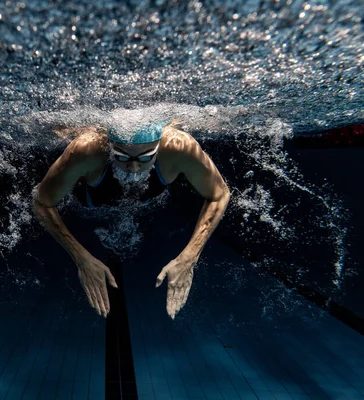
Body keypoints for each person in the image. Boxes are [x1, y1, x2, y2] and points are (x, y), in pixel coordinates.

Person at [33, 119, 231, 319]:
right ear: (109, 147)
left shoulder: (179, 148)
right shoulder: (87, 151)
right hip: (88, 203)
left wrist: (189, 257)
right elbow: (41, 202)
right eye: (122, 156)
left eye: (146, 157)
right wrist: (81, 258)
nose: (134, 168)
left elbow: (220, 194)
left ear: (159, 147)